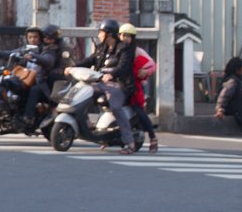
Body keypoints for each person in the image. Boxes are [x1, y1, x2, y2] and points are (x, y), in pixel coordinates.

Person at [66, 18, 137, 154]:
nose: (99, 35)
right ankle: (89, 127)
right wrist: (73, 67)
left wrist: (112, 75)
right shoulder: (101, 48)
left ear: (109, 34)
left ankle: (130, 143)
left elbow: (124, 67)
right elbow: (90, 60)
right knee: (82, 94)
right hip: (101, 83)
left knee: (116, 108)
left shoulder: (124, 48)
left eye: (101, 32)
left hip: (118, 85)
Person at [119, 23, 159, 154]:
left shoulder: (137, 51)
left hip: (134, 87)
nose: (125, 38)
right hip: (120, 86)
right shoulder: (118, 49)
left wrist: (144, 71)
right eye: (123, 35)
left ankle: (153, 138)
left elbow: (152, 65)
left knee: (139, 111)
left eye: (128, 36)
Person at [21, 24, 64, 126]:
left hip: (52, 80)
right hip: (33, 77)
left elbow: (49, 61)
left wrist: (34, 56)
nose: (33, 40)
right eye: (30, 37)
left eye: (36, 37)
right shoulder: (30, 48)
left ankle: (28, 117)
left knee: (35, 90)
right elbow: (14, 52)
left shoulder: (54, 49)